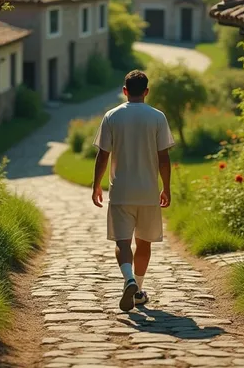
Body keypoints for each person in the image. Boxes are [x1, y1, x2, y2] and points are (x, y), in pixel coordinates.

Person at [92, 69, 175, 312]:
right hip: (148, 192)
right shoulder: (158, 117)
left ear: (125, 91)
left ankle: (128, 279)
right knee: (144, 242)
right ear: (147, 92)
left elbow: (102, 155)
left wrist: (96, 184)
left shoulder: (112, 117)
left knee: (122, 242)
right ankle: (138, 290)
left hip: (121, 191)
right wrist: (166, 188)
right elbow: (163, 159)